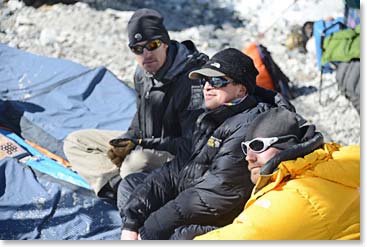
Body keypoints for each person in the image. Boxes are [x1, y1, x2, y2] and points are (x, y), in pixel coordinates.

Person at [117, 48, 297, 240]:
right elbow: (176, 169)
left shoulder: (249, 126)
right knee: (130, 186)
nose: (207, 87)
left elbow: (217, 194)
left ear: (241, 90)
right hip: (191, 199)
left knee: (180, 236)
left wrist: (150, 229)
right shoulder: (211, 118)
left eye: (217, 81)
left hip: (224, 218)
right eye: (204, 80)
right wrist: (132, 221)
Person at [63, 8, 208, 200]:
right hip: (147, 142)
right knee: (76, 141)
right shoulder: (143, 74)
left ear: (165, 43)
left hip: (180, 153)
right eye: (137, 49)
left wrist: (139, 145)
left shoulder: (192, 80)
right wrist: (128, 138)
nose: (146, 54)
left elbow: (193, 144)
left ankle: (131, 186)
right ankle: (118, 185)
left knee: (134, 164)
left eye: (152, 45)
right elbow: (141, 115)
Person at [195, 107, 360, 240]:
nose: (248, 157)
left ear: (288, 145)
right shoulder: (336, 161)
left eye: (258, 145)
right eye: (246, 147)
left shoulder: (298, 195)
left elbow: (248, 235)